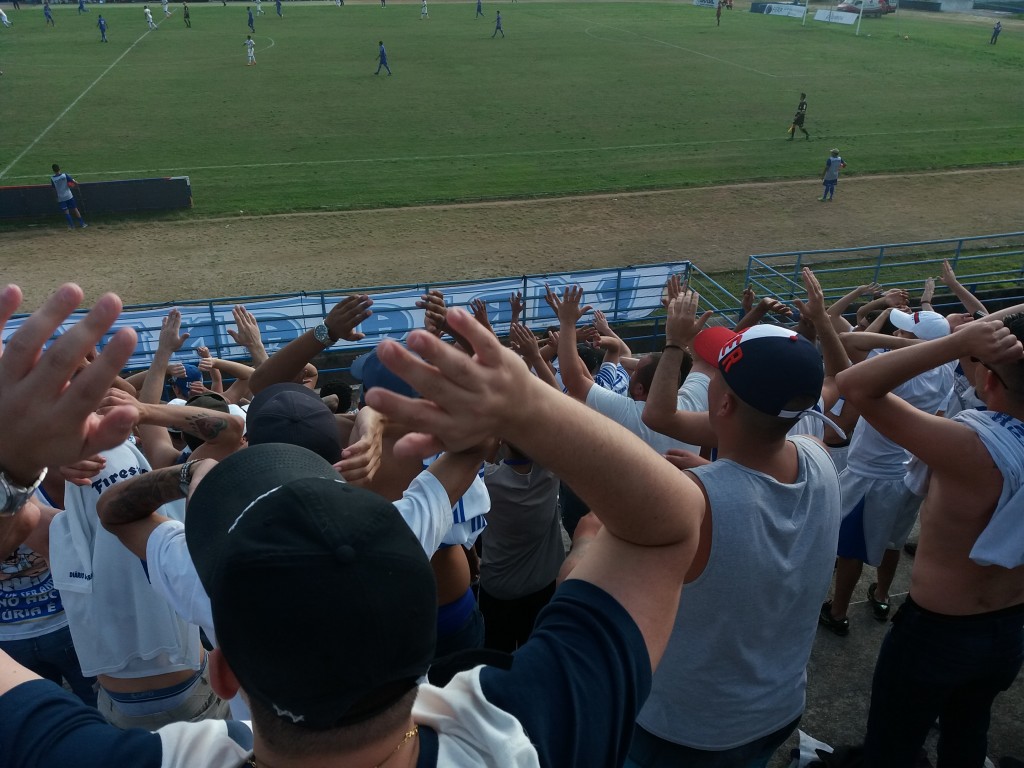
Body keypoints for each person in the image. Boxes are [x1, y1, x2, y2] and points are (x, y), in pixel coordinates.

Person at [0, 292, 706, 768]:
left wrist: (11, 473)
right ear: (428, 650)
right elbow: (669, 528)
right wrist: (526, 403)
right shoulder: (522, 737)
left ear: (225, 670)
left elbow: (120, 513)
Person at [626, 280, 842, 768]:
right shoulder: (817, 454)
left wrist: (676, 345)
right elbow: (660, 416)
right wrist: (721, 479)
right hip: (777, 708)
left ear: (722, 404)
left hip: (689, 729)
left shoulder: (697, 501)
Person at [837, 316, 1024, 767]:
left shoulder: (970, 447)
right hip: (1010, 628)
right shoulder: (974, 443)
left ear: (990, 382)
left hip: (940, 631)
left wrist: (956, 341)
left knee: (893, 745)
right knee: (968, 731)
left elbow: (854, 384)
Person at [50, 164, 88, 230]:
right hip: (69, 196)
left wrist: (56, 197)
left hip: (61, 197)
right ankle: (82, 224)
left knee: (66, 212)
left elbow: (54, 189)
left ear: (53, 170)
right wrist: (74, 184)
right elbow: (74, 182)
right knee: (75, 209)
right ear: (59, 169)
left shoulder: (53, 179)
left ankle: (72, 226)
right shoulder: (65, 175)